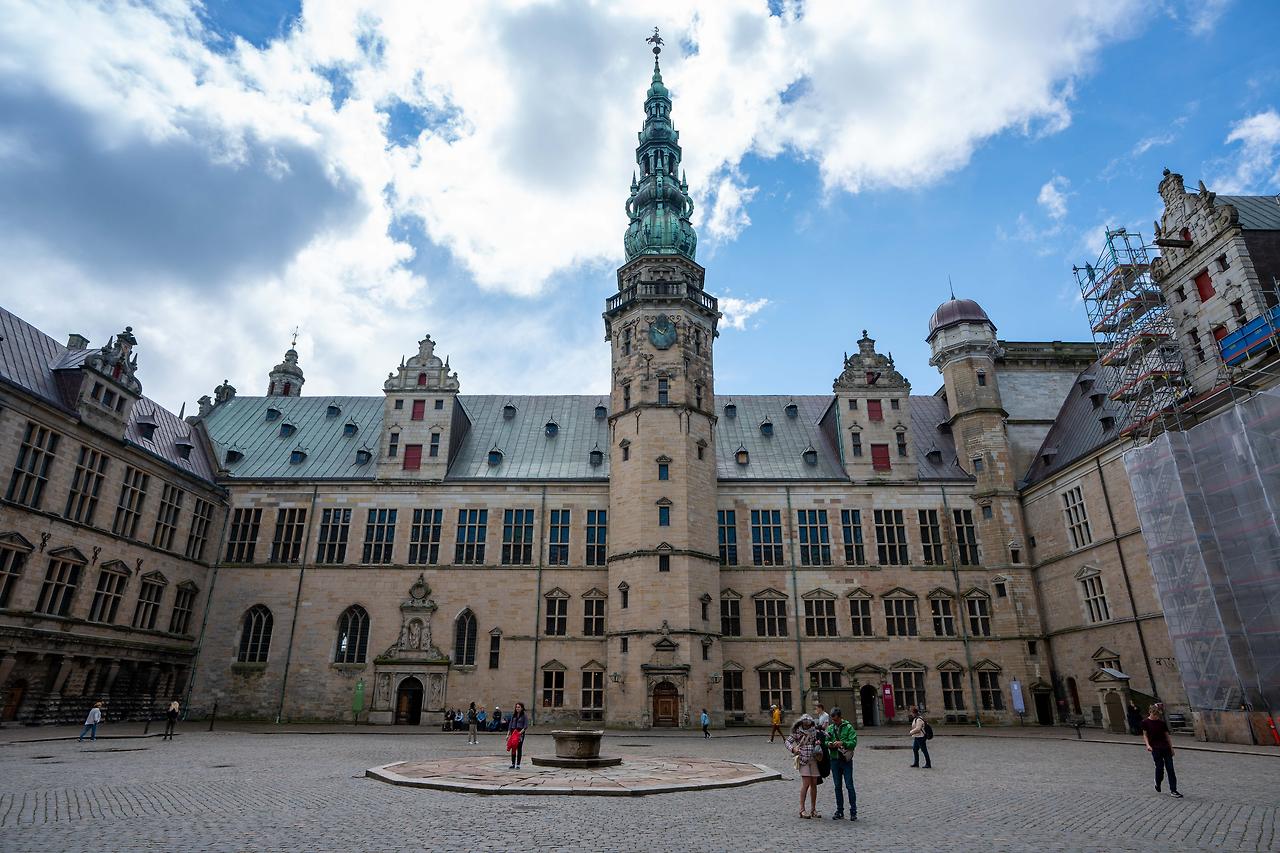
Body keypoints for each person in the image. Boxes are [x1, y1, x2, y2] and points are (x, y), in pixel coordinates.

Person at [785, 714, 822, 818]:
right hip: (803, 760)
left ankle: (813, 810)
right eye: (805, 724)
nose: (807, 726)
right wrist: (793, 749)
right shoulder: (797, 731)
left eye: (808, 724)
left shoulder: (814, 731)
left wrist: (818, 743)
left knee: (814, 783)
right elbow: (787, 742)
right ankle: (802, 810)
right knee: (806, 784)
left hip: (813, 759)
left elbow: (818, 739)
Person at [1140, 705, 1182, 798]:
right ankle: (1157, 782)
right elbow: (1145, 735)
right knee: (1159, 768)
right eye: (1154, 714)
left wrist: (1171, 748)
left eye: (1157, 715)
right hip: (1155, 748)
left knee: (1170, 769)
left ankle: (1173, 790)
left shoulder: (1161, 723)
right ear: (1150, 712)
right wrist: (1148, 745)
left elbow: (1167, 736)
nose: (1156, 716)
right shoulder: (1145, 722)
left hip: (1165, 747)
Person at [826, 707, 858, 821]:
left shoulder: (848, 727)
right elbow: (826, 741)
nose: (834, 722)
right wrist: (830, 744)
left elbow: (853, 742)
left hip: (845, 760)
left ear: (840, 717)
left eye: (835, 720)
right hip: (834, 759)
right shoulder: (830, 728)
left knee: (849, 786)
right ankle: (840, 811)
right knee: (837, 786)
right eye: (833, 720)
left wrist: (842, 743)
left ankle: (853, 811)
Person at [508, 702, 529, 769]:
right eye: (516, 707)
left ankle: (518, 764)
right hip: (513, 732)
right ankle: (513, 763)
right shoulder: (514, 715)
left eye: (519, 707)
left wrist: (519, 733)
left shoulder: (524, 715)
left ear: (522, 708)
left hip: (520, 733)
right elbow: (510, 724)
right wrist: (508, 734)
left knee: (519, 748)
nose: (517, 708)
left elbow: (525, 726)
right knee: (513, 748)